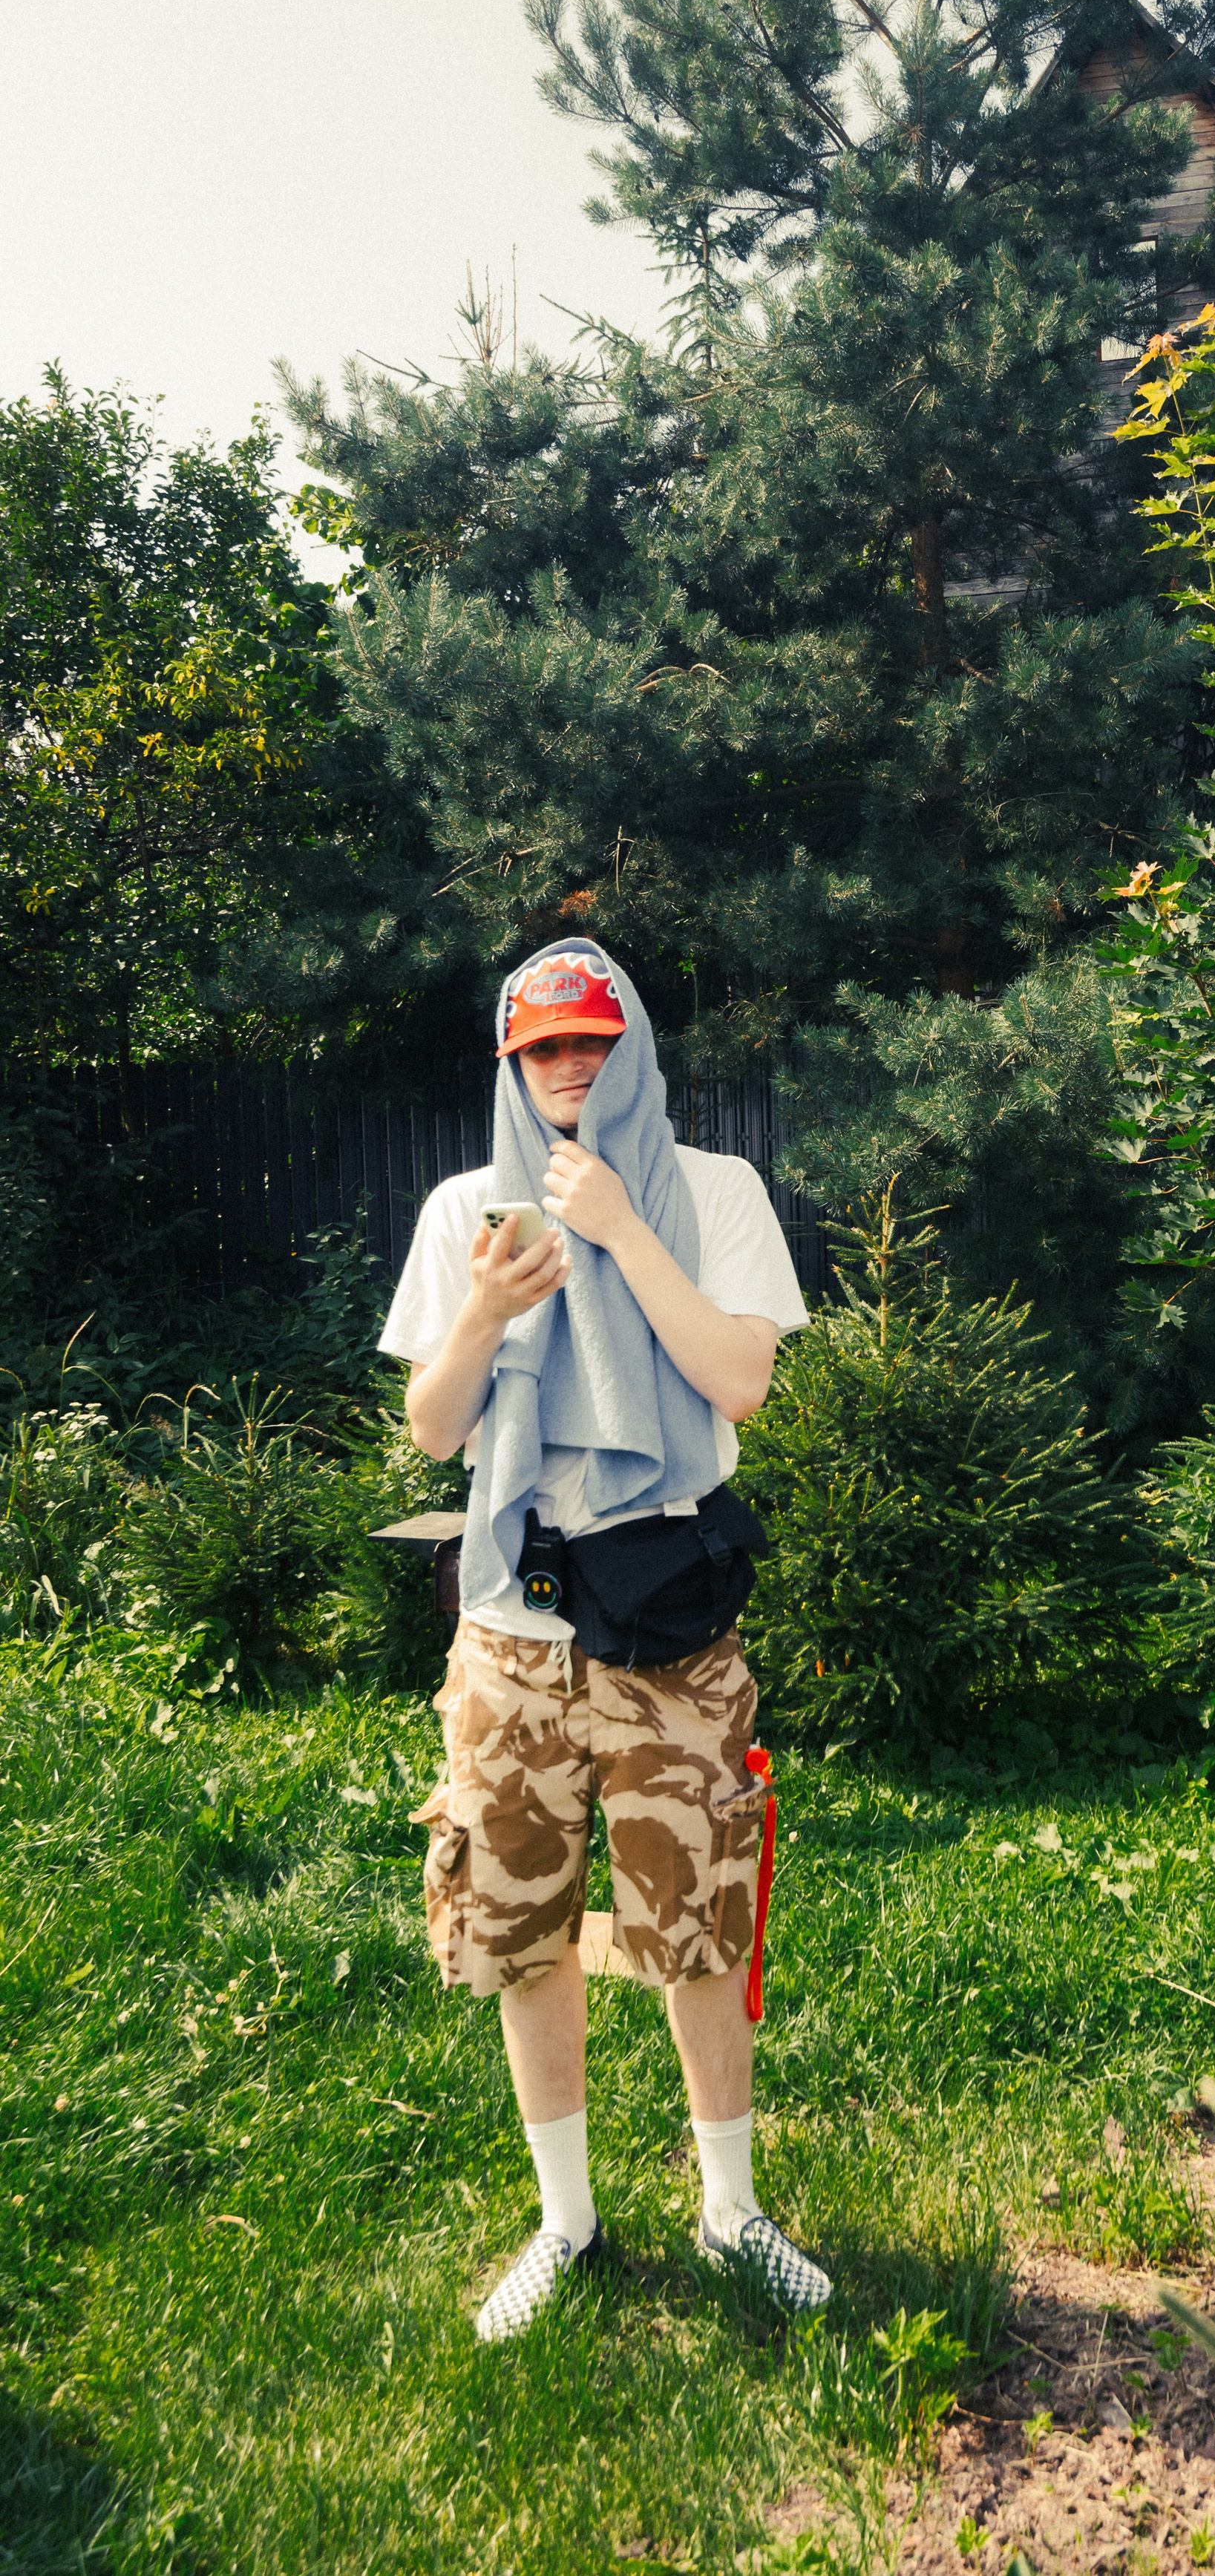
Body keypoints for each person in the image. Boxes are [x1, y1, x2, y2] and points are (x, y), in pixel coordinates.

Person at [379, 936, 831, 2341]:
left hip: (668, 1638)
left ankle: (732, 2214)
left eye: (593, 1040)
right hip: (511, 1637)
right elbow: (436, 1432)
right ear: (512, 1064)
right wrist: (485, 1315)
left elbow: (741, 1383)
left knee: (697, 1927)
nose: (570, 1067)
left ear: (634, 1044)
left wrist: (626, 1229)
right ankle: (565, 2222)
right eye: (541, 1049)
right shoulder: (472, 1205)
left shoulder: (712, 1191)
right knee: (523, 1937)